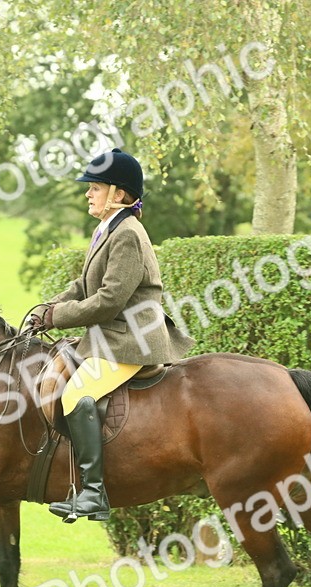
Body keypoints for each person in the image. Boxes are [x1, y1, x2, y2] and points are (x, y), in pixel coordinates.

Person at [27, 148, 194, 523]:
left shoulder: (129, 235)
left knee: (76, 394)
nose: (88, 193)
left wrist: (57, 317)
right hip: (112, 336)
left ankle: (93, 494)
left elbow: (108, 300)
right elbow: (83, 285)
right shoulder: (109, 228)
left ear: (118, 194)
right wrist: (46, 308)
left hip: (130, 339)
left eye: (95, 187)